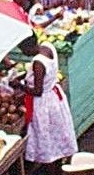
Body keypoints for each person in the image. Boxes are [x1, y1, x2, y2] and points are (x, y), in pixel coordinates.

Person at [19, 35, 77, 166]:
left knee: (47, 138)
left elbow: (38, 91)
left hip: (44, 103)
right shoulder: (48, 46)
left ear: (28, 48)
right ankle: (60, 163)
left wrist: (20, 86)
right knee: (57, 133)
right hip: (55, 97)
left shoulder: (38, 63)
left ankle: (52, 171)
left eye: (23, 50)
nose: (23, 53)